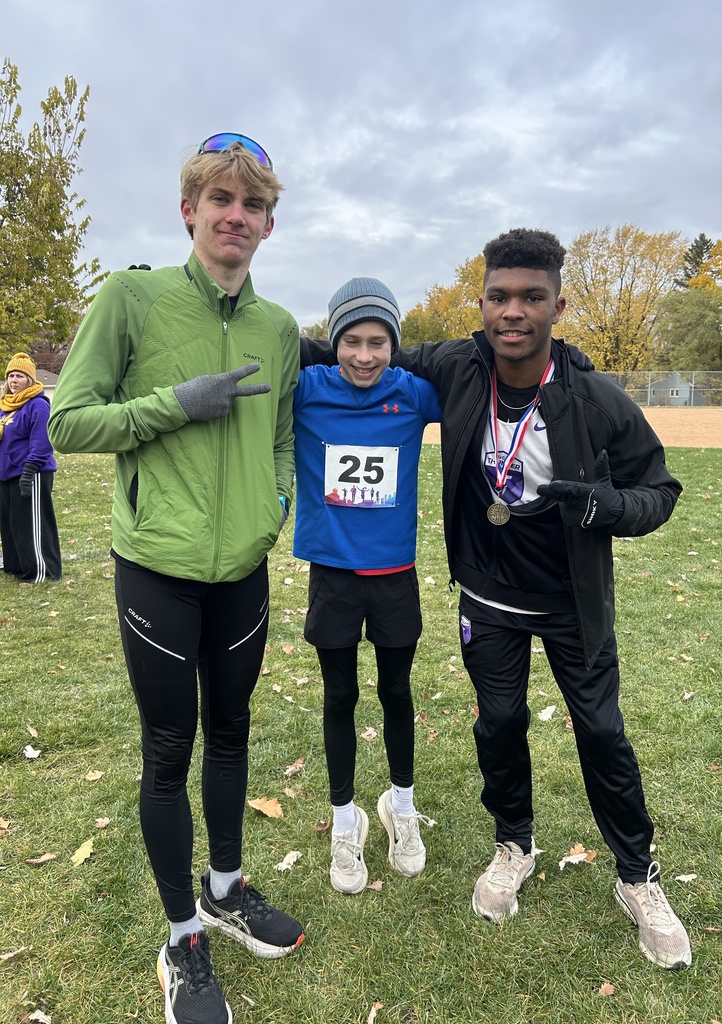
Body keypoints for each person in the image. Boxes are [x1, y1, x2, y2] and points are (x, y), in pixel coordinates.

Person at [49, 133, 304, 1024]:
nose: (236, 216)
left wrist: (276, 500)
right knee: (171, 748)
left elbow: (280, 432)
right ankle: (180, 940)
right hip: (156, 569)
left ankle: (225, 889)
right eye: (220, 200)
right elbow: (67, 425)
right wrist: (172, 406)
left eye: (253, 205)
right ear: (188, 209)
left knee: (232, 733)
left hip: (244, 569)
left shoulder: (278, 328)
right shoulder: (132, 298)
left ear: (270, 225)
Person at [395, 228, 691, 970]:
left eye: (531, 297)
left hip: (572, 605)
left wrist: (607, 506)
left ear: (559, 303)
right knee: (498, 724)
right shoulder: (458, 369)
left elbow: (660, 491)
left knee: (601, 735)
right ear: (483, 302)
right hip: (488, 597)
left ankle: (637, 877)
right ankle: (514, 844)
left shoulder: (595, 398)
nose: (513, 311)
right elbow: (366, 346)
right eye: (499, 296)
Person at [294, 278, 441, 895]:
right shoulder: (306, 391)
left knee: (396, 691)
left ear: (394, 346)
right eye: (350, 341)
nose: (363, 355)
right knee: (339, 696)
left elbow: (475, 376)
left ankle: (400, 806)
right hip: (333, 574)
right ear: (333, 344)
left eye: (377, 342)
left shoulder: (413, 395)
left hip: (394, 576)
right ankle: (342, 817)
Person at [0, 352, 61, 583]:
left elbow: (42, 442)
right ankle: (16, 566)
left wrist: (29, 471)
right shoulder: (5, 406)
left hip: (31, 473)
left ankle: (41, 570)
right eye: (11, 376)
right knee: (11, 523)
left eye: (19, 376)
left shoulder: (38, 405)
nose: (13, 380)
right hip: (5, 474)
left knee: (30, 524)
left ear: (30, 379)